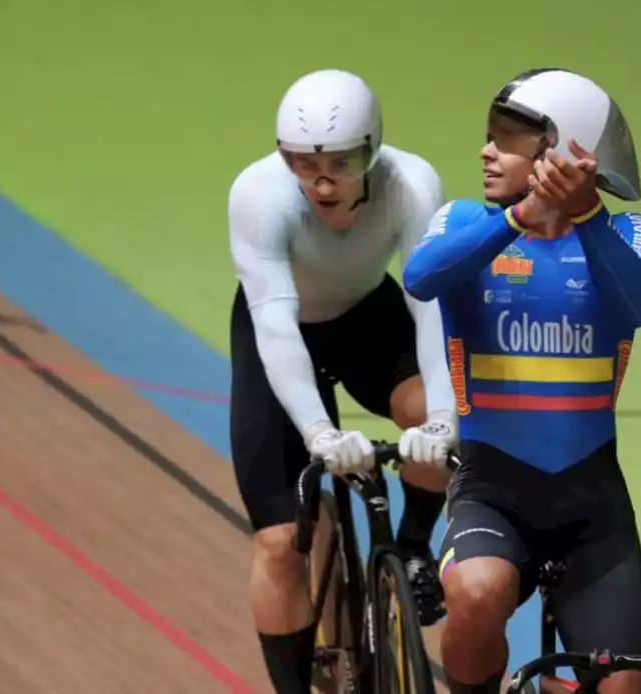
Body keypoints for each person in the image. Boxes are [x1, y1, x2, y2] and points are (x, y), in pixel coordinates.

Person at [402, 68, 641, 694]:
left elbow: (636, 305)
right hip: (493, 489)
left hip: (592, 505)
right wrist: (522, 214)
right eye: (488, 135)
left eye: (506, 138)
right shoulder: (465, 220)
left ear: (561, 151)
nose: (485, 151)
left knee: (626, 687)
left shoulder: (628, 233)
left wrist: (583, 212)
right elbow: (422, 276)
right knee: (475, 588)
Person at [227, 68, 458, 694]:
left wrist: (441, 418)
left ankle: (412, 546)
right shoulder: (259, 194)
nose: (322, 181)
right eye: (302, 163)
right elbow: (275, 326)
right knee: (279, 543)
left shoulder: (411, 183)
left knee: (437, 414)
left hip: (367, 318)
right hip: (282, 329)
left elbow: (432, 307)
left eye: (341, 162)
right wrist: (320, 432)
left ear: (374, 149)